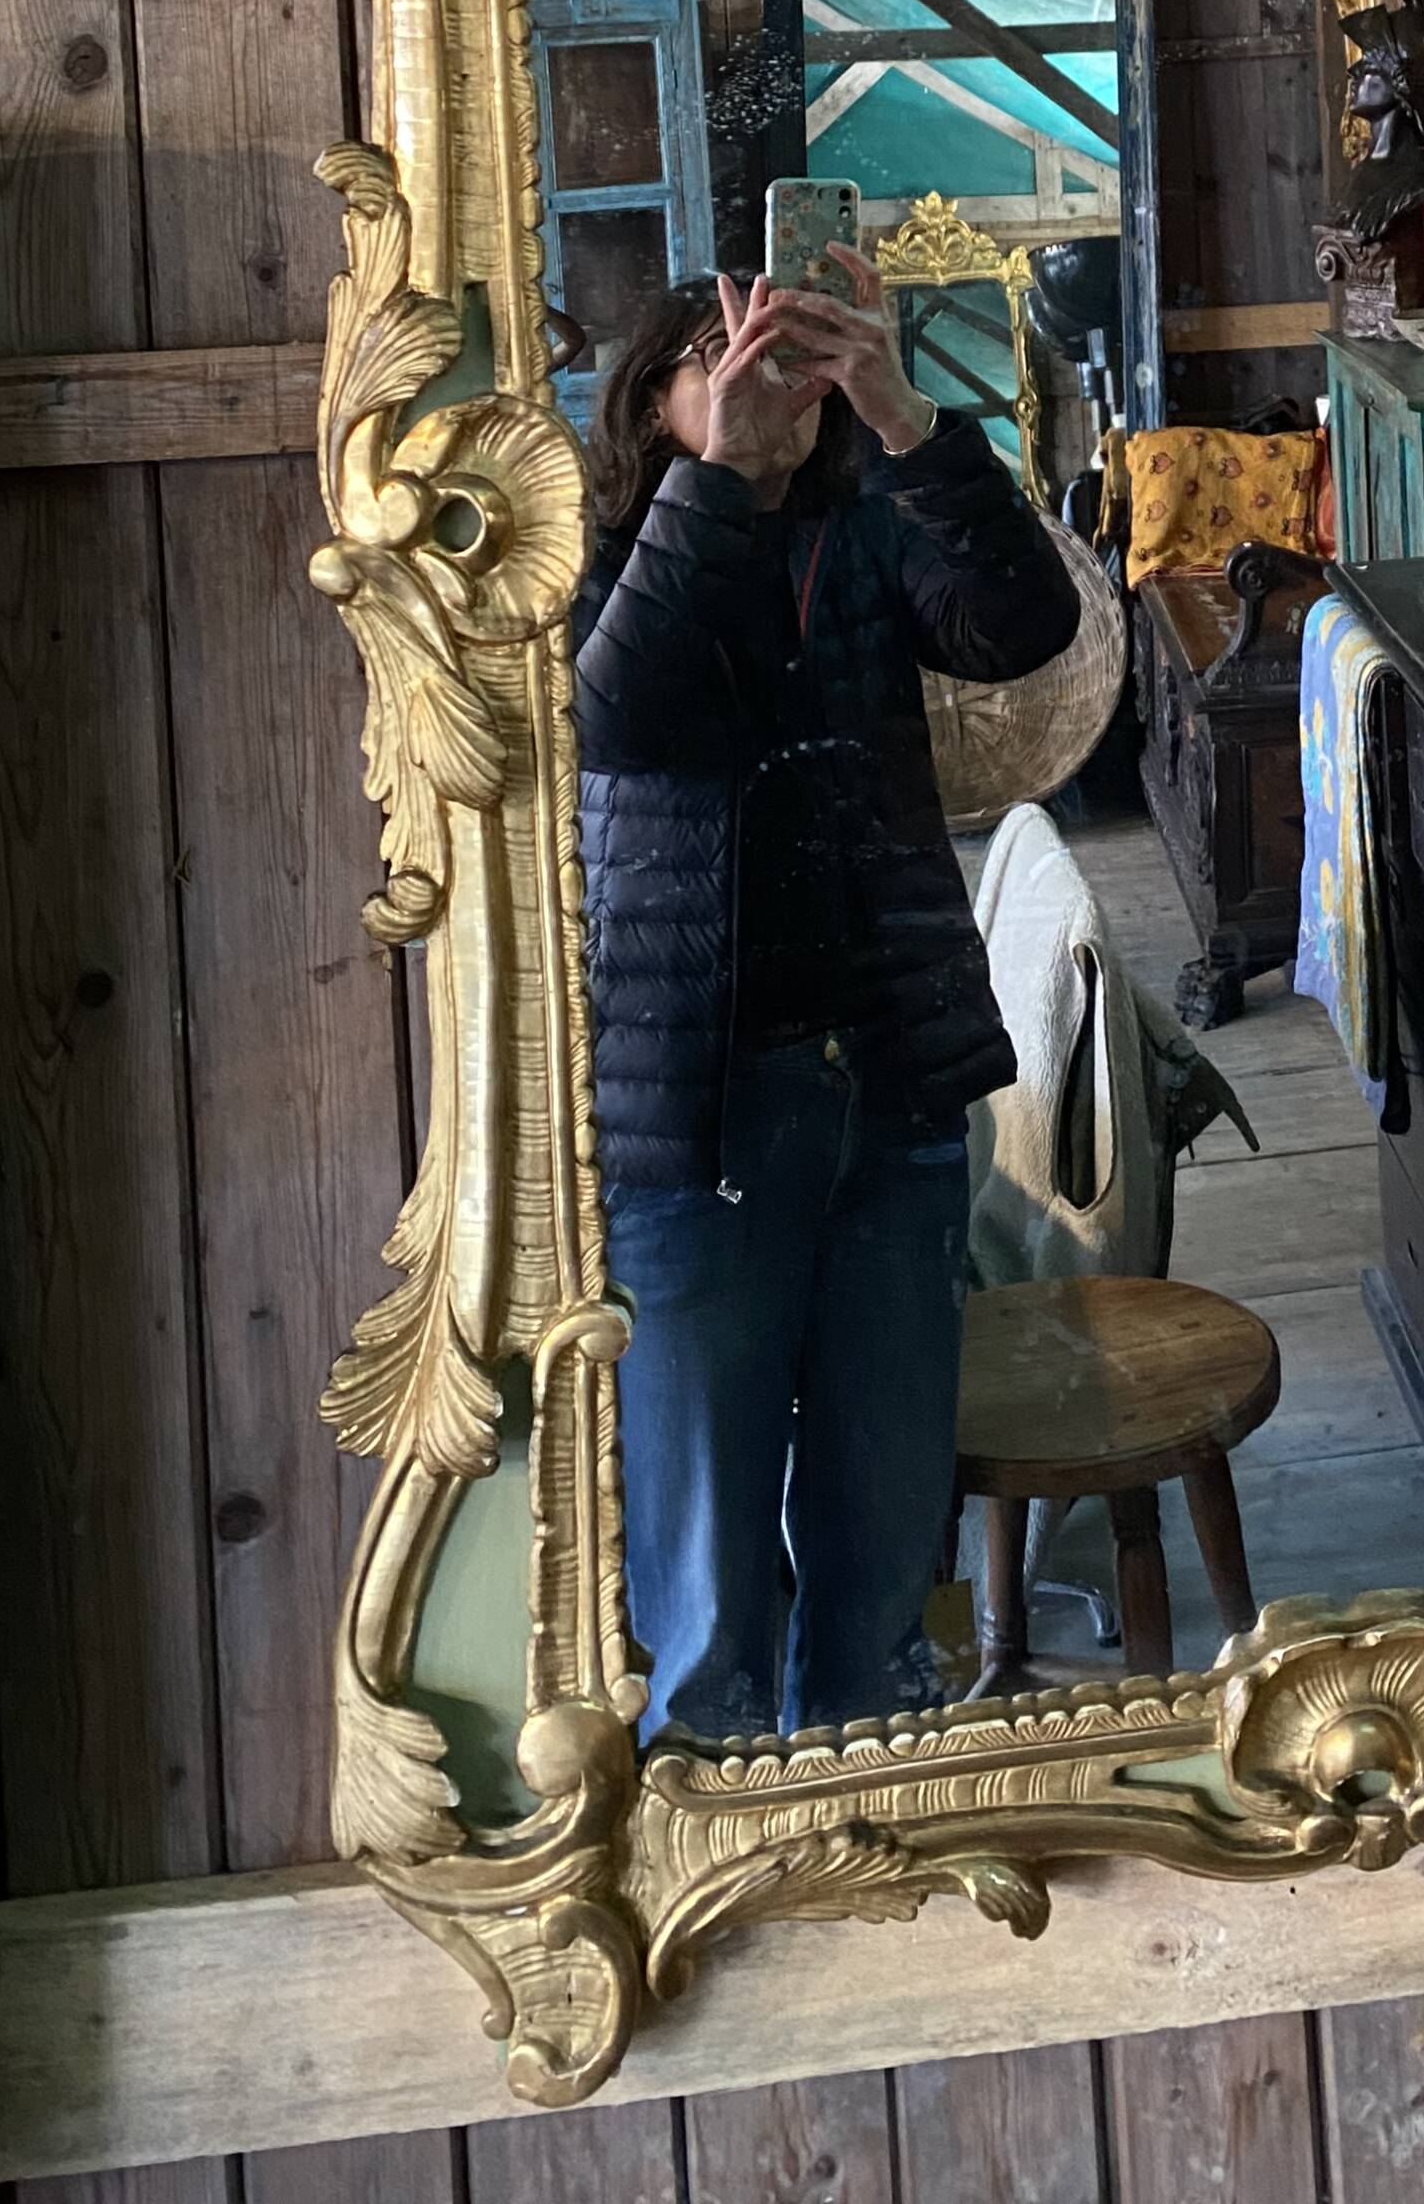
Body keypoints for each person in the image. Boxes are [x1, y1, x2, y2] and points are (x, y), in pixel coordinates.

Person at [573, 248, 1079, 1740]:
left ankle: (879, 1852)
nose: (762, 381)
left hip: (890, 1091)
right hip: (703, 1113)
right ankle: (729, 1863)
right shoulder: (605, 554)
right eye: (721, 355)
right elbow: (617, 714)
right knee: (708, 1589)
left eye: (791, 354)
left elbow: (1022, 625)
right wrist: (719, 481)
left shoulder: (865, 531)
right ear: (657, 398)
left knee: (879, 1560)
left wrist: (906, 415)